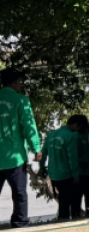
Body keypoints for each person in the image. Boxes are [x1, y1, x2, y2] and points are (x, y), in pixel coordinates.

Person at [0, 68, 41, 228]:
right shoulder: (21, 100)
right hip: (15, 158)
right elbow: (28, 126)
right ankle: (20, 224)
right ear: (16, 82)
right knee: (19, 194)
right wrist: (36, 148)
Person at [41, 115, 88, 220]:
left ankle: (63, 220)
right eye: (79, 128)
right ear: (76, 125)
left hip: (53, 175)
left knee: (62, 200)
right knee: (68, 202)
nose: (78, 131)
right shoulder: (70, 136)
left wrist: (42, 168)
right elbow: (72, 158)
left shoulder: (51, 135)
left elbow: (43, 153)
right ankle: (66, 222)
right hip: (66, 175)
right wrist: (76, 175)